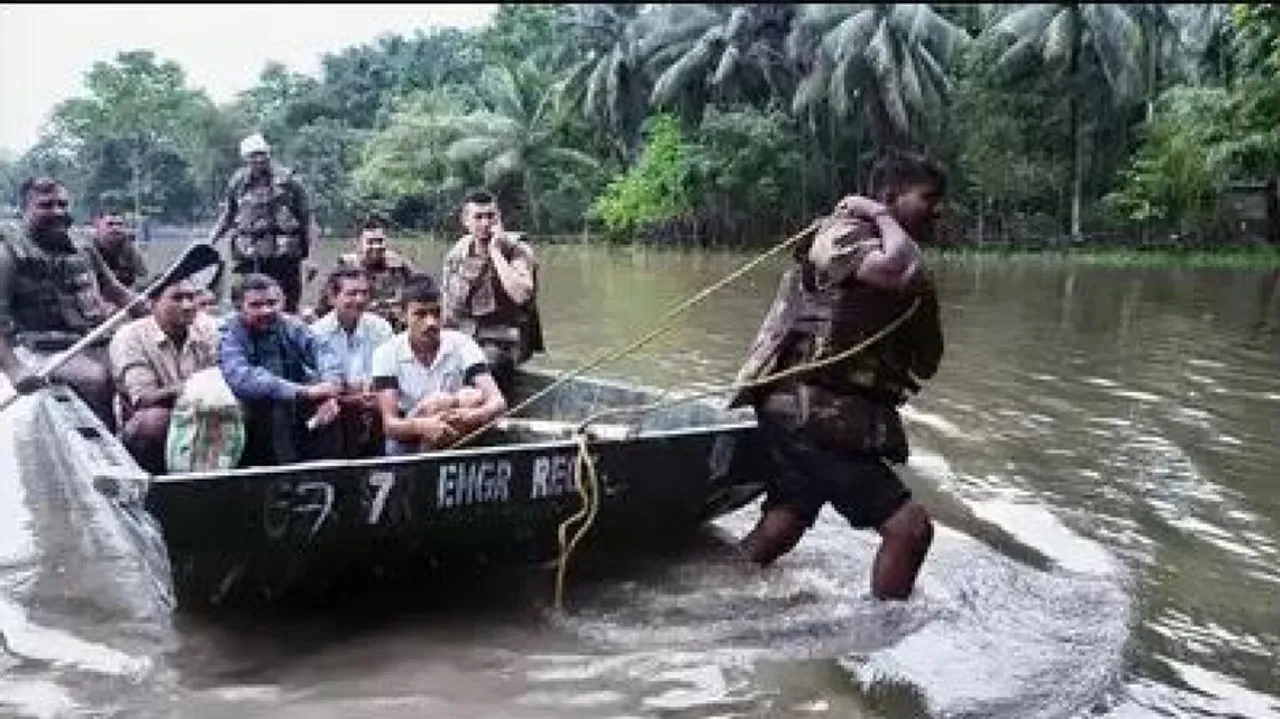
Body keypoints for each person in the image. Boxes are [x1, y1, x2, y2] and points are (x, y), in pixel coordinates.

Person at [728, 151, 946, 601]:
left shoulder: (913, 269)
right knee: (910, 530)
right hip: (810, 413)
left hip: (825, 415)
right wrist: (880, 217)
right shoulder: (842, 232)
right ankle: (880, 643)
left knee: (783, 525)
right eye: (928, 198)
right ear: (890, 195)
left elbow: (925, 361)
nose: (938, 210)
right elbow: (892, 271)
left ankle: (708, 596)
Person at [0, 177, 144, 429]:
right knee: (95, 380)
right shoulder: (7, 252)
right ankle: (107, 448)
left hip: (91, 340)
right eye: (46, 205)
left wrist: (151, 312)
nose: (57, 212)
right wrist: (14, 369)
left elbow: (114, 290)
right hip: (37, 349)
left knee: (138, 370)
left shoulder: (83, 245)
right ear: (24, 209)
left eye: (63, 204)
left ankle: (139, 440)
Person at [218, 273, 344, 467]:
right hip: (249, 409)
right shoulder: (229, 332)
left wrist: (329, 392)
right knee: (276, 406)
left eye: (272, 303)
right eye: (256, 305)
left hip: (295, 400)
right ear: (239, 308)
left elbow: (325, 354)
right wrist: (304, 392)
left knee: (331, 410)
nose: (267, 310)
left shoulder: (290, 324)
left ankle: (327, 478)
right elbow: (243, 379)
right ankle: (284, 482)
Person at [372, 274, 506, 455]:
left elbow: (498, 401)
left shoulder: (461, 343)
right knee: (434, 404)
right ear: (402, 315)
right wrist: (424, 426)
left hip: (456, 429)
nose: (431, 322)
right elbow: (390, 425)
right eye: (420, 314)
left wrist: (474, 415)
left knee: (472, 397)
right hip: (410, 434)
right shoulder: (387, 353)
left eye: (436, 313)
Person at [108, 276, 219, 474]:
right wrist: (194, 386)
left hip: (206, 411)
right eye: (177, 298)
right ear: (152, 303)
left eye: (191, 297)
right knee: (153, 422)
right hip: (158, 419)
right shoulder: (130, 337)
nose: (187, 305)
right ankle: (151, 486)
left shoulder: (208, 327)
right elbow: (143, 399)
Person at [440, 189, 544, 394]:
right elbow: (448, 307)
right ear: (465, 221)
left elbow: (522, 294)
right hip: (468, 336)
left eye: (491, 216)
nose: (486, 223)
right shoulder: (456, 254)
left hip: (506, 341)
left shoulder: (516, 250)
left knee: (483, 366)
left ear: (499, 218)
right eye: (478, 217)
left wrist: (495, 252)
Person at [207, 133, 316, 314]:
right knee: (246, 306)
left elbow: (308, 220)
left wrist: (310, 258)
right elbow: (228, 215)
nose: (259, 159)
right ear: (245, 159)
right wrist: (208, 242)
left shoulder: (290, 182)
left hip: (283, 258)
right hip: (249, 257)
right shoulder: (238, 183)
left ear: (269, 154)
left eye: (262, 154)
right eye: (253, 156)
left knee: (286, 307)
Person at [310, 267, 394, 457]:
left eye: (364, 293)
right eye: (352, 294)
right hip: (337, 404)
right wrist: (349, 394)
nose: (360, 300)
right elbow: (322, 384)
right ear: (332, 297)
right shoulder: (316, 334)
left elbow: (386, 375)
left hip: (374, 401)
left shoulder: (381, 328)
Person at [313, 215, 416, 329]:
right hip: (355, 324)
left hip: (392, 325)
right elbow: (324, 304)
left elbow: (421, 290)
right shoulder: (345, 266)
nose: (376, 247)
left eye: (380, 241)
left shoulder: (400, 265)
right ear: (358, 243)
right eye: (370, 242)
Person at [92, 208, 149, 290]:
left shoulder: (129, 249)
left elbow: (143, 277)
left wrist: (132, 292)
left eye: (119, 224)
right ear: (97, 225)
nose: (115, 228)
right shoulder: (89, 249)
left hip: (128, 295)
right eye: (110, 224)